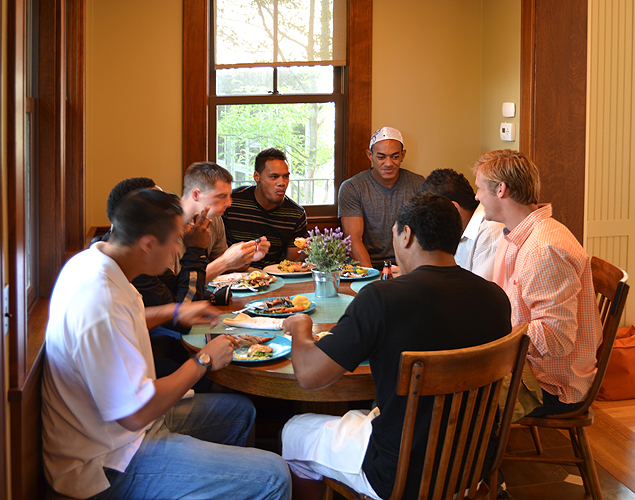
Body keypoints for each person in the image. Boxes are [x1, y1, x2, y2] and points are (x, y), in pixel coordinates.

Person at [42, 188, 291, 499]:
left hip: (125, 429)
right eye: (175, 240)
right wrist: (203, 361)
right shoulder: (99, 298)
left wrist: (174, 311)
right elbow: (135, 413)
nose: (177, 249)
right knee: (273, 475)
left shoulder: (96, 261)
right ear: (148, 244)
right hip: (105, 461)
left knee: (240, 413)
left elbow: (125, 319)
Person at [280, 193, 512, 500]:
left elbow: (310, 376)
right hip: (473, 467)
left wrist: (300, 326)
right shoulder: (495, 298)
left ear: (406, 235)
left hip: (399, 476)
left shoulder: (381, 298)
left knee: (295, 430)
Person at [473, 149, 603, 416]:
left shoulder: (543, 249)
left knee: (451, 393)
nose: (476, 197)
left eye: (479, 188)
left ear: (501, 190)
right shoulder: (516, 234)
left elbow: (557, 338)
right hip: (527, 366)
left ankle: (480, 442)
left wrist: (493, 333)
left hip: (550, 383)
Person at [338, 126, 424, 269]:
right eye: (381, 157)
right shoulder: (352, 187)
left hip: (408, 266)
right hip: (366, 267)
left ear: (403, 155)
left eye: (395, 156)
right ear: (370, 155)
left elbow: (425, 234)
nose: (388, 163)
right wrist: (373, 276)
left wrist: (409, 272)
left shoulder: (418, 184)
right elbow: (353, 239)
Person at [180, 161, 271, 282]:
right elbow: (178, 287)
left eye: (229, 196)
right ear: (196, 195)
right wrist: (225, 261)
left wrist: (247, 257)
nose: (229, 203)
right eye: (221, 196)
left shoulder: (214, 219)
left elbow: (223, 269)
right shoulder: (168, 226)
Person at [223, 148, 308, 268]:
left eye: (285, 176)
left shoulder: (296, 214)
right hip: (233, 273)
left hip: (274, 275)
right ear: (257, 176)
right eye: (274, 177)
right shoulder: (231, 202)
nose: (282, 183)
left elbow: (290, 264)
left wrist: (307, 252)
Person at [420, 168, 504, 280]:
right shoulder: (458, 228)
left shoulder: (489, 230)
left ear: (453, 208)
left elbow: (478, 288)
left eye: (433, 215)